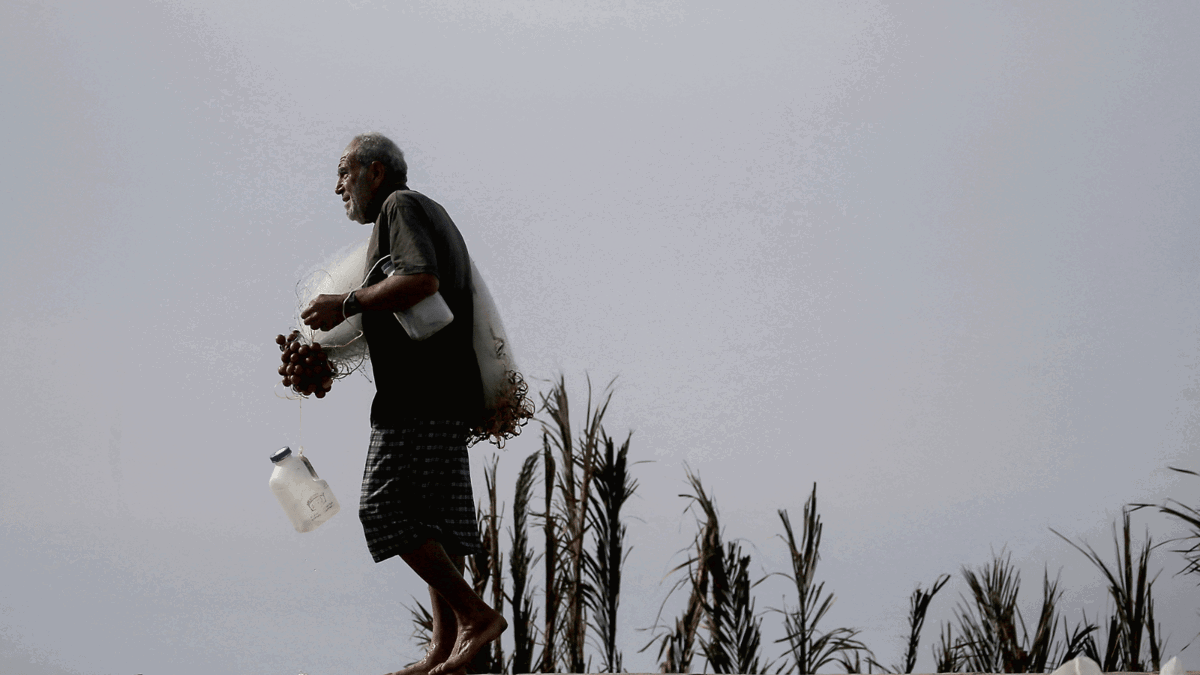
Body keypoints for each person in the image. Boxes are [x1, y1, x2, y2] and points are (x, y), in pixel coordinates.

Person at [301, 132, 506, 675]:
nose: (337, 185)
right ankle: (446, 649)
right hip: (444, 392)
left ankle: (475, 616)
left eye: (345, 172)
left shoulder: (400, 205)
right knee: (433, 521)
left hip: (417, 396)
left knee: (384, 506)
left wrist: (342, 301)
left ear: (375, 172)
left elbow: (420, 281)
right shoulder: (426, 210)